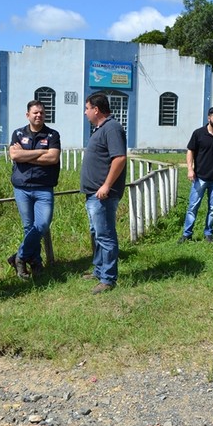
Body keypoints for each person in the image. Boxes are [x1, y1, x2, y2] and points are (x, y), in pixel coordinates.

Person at [7, 100, 61, 278]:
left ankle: (19, 257)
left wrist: (25, 156)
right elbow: (14, 155)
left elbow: (53, 158)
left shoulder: (52, 135)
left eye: (42, 113)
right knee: (28, 227)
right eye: (35, 113)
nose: (39, 115)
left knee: (42, 224)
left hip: (44, 188)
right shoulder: (18, 133)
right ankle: (36, 262)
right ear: (27, 115)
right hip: (22, 188)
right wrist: (40, 152)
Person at [80, 93, 127, 295]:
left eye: (87, 108)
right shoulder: (100, 129)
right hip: (93, 194)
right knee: (98, 234)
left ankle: (108, 278)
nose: (85, 112)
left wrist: (106, 185)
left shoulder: (112, 128)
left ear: (96, 110)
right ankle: (99, 270)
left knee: (106, 235)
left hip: (103, 195)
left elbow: (119, 158)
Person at [178, 106, 213, 244]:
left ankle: (208, 233)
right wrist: (190, 169)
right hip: (200, 178)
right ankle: (187, 234)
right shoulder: (198, 134)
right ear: (209, 118)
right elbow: (190, 151)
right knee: (193, 207)